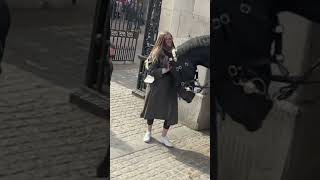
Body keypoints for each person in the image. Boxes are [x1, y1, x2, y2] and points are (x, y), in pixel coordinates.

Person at [140, 31, 178, 147]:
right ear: (162, 40)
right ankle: (148, 132)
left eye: (170, 38)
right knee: (152, 109)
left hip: (171, 86)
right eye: (167, 39)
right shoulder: (156, 52)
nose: (169, 41)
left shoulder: (175, 52)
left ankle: (164, 136)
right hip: (157, 86)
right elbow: (150, 70)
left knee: (170, 112)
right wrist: (165, 70)